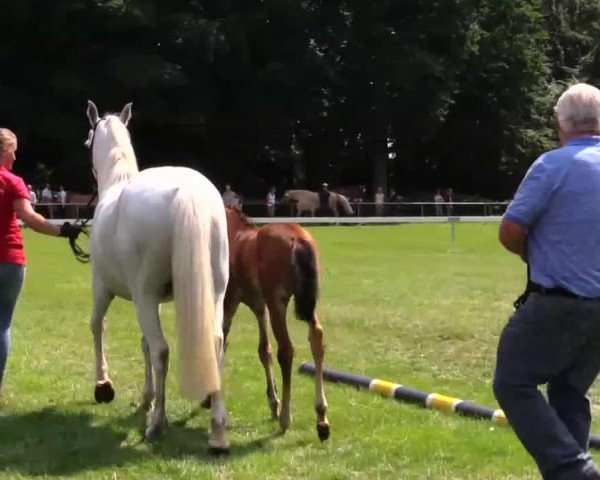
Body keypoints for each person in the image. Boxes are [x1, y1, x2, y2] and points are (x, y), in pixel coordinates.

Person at [494, 83, 600, 480]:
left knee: (513, 382)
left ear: (559, 124)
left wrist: (532, 254)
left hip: (556, 302)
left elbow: (510, 230)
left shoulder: (551, 165)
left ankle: (576, 470)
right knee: (569, 392)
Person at [0, 128, 81, 396]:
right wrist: (63, 231)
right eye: (13, 150)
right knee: (2, 325)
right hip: (10, 260)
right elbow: (31, 218)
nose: (15, 155)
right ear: (4, 150)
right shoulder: (12, 181)